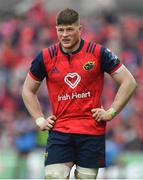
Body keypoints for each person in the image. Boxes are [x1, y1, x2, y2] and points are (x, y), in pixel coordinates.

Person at [22, 8, 137, 179]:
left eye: (69, 29)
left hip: (91, 132)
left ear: (79, 29)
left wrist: (111, 112)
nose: (64, 34)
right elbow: (27, 90)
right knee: (54, 176)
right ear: (56, 30)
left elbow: (129, 82)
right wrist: (39, 119)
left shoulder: (98, 53)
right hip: (60, 130)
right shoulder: (46, 56)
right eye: (61, 30)